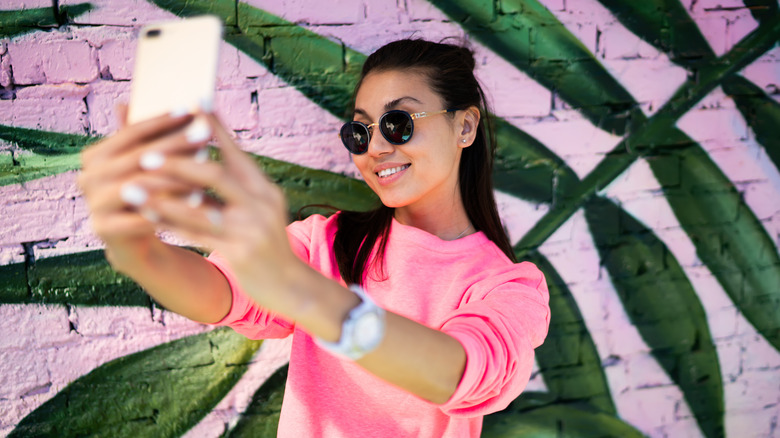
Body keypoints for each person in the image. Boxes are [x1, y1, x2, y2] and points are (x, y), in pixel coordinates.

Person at [78, 38, 550, 437]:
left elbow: (457, 373)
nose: (377, 148)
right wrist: (137, 249)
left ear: (464, 126)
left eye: (398, 124)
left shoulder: (508, 287)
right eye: (360, 132)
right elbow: (220, 292)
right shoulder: (325, 242)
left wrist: (298, 291)